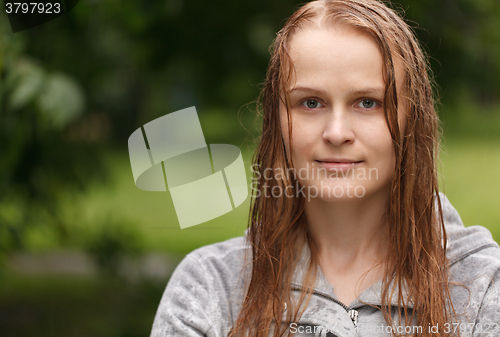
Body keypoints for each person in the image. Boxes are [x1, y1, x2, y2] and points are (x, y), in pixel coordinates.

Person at [150, 0, 500, 336]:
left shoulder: (481, 284)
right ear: (278, 122)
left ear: (413, 120)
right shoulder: (210, 288)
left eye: (368, 102)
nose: (336, 132)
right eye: (311, 102)